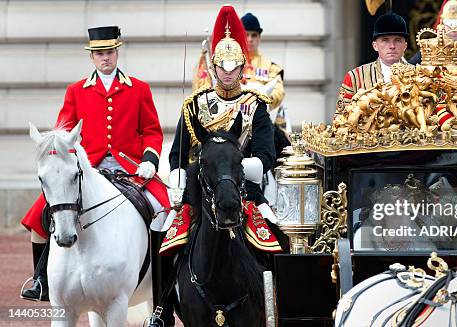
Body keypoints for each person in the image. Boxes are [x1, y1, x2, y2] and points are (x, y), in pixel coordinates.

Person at [19, 26, 170, 304]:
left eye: (110, 52)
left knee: (163, 212)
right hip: (88, 171)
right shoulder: (76, 91)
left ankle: (161, 290)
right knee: (38, 216)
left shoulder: (139, 89)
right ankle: (41, 280)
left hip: (130, 170)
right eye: (99, 53)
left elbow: (151, 130)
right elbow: (64, 134)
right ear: (92, 57)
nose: (105, 58)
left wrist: (150, 160)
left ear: (117, 52)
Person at [159, 6, 285, 325]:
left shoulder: (254, 107)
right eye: (222, 68)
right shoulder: (195, 106)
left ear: (242, 67)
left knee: (279, 240)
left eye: (234, 68)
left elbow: (267, 154)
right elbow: (179, 153)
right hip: (201, 196)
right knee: (160, 236)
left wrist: (242, 169)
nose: (228, 74)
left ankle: (278, 308)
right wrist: (177, 180)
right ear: (213, 68)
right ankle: (161, 309)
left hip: (246, 194)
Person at [241, 12, 291, 207]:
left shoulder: (271, 67)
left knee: (285, 150)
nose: (250, 39)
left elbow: (278, 92)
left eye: (254, 35)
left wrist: (258, 100)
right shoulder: (230, 63)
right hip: (232, 122)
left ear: (259, 37)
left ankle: (285, 195)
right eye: (246, 34)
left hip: (260, 122)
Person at [337, 11, 411, 112]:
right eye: (385, 40)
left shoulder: (419, 75)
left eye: (397, 40)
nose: (392, 46)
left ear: (405, 46)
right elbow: (341, 119)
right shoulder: (355, 77)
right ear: (375, 46)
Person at [408, 0, 457, 65]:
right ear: (443, 25)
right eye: (449, 25)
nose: (454, 30)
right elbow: (409, 66)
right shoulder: (430, 47)